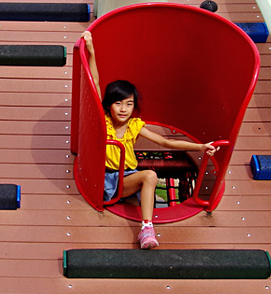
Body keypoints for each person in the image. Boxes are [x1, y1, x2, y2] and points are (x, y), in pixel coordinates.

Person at [81, 30, 216, 249]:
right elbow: (95, 82)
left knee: (145, 191)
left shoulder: (135, 125)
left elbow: (167, 143)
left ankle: (146, 229)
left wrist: (199, 146)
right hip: (107, 178)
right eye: (118, 103)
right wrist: (91, 49)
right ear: (109, 105)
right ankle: (146, 228)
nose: (123, 109)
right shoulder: (103, 122)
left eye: (129, 104)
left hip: (128, 179)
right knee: (150, 176)